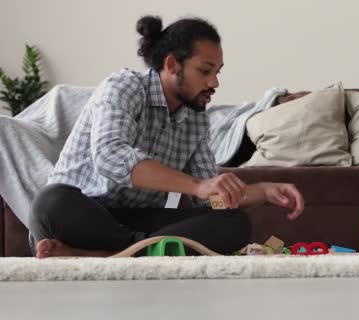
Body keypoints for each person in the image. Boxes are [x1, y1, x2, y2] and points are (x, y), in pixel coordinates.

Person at [29, 15, 304, 258]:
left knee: (235, 222)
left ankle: (107, 256)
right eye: (205, 71)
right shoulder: (125, 86)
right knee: (51, 202)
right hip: (83, 215)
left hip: (136, 223)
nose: (214, 83)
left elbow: (211, 198)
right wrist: (198, 185)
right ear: (173, 64)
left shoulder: (195, 117)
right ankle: (137, 252)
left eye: (217, 73)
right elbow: (110, 157)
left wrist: (264, 191)